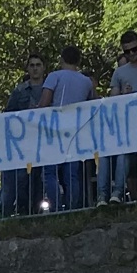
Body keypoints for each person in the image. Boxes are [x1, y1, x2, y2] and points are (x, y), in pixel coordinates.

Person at [98, 31, 137, 205]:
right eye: (127, 52)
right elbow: (113, 99)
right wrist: (122, 95)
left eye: (134, 49)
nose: (132, 54)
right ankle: (105, 196)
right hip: (126, 128)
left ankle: (119, 192)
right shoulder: (119, 73)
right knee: (109, 151)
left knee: (125, 151)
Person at [37, 46, 94, 211]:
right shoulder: (86, 81)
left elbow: (45, 102)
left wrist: (36, 108)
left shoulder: (54, 76)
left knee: (50, 173)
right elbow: (93, 102)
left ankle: (56, 209)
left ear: (61, 59)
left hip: (54, 130)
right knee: (72, 174)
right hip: (76, 131)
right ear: (78, 61)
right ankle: (72, 209)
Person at [1, 55, 47, 216]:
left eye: (38, 64)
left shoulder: (50, 89)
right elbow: (9, 114)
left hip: (44, 142)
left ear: (43, 68)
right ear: (28, 68)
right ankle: (23, 210)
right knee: (22, 179)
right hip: (23, 143)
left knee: (40, 179)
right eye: (32, 65)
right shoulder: (19, 91)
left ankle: (37, 211)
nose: (35, 68)